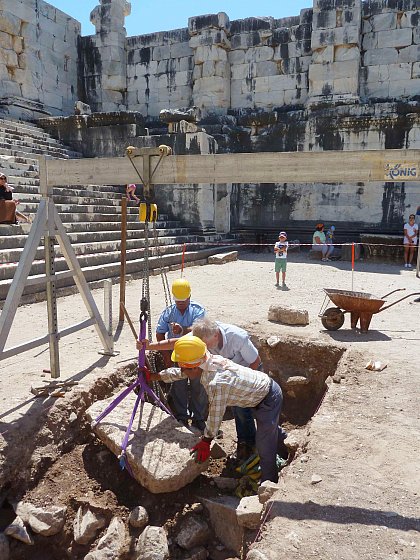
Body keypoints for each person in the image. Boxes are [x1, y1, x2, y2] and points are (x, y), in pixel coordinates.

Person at [148, 336, 288, 483]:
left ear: (194, 367)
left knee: (264, 444)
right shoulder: (205, 361)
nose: (182, 370)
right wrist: (154, 376)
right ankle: (288, 448)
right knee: (271, 432)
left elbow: (216, 415)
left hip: (268, 398)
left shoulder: (217, 383)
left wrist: (206, 440)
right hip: (254, 395)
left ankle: (269, 483)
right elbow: (180, 372)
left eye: (183, 367)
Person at [139, 317, 263, 459]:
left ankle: (253, 445)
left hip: (248, 374)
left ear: (215, 335)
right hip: (225, 374)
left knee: (246, 411)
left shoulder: (237, 337)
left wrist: (241, 388)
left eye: (204, 344)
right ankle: (245, 443)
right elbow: (179, 348)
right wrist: (149, 347)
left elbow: (255, 362)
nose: (201, 347)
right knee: (239, 412)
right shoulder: (201, 337)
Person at [155, 278, 207, 430]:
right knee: (179, 386)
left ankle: (198, 418)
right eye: (178, 301)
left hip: (197, 356)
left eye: (183, 301)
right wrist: (166, 358)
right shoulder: (168, 313)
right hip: (178, 356)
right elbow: (160, 334)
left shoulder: (198, 310)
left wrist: (183, 329)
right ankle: (182, 417)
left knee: (199, 387)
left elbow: (201, 331)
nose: (180, 304)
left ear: (189, 297)